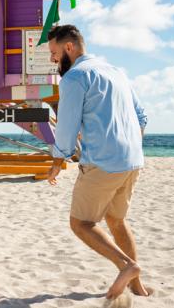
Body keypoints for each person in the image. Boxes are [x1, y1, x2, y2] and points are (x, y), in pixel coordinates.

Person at [44, 25, 150, 300]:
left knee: (80, 223)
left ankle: (127, 266)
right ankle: (137, 285)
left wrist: (58, 159)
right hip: (133, 161)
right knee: (116, 219)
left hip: (103, 162)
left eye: (54, 53)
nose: (53, 59)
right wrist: (129, 145)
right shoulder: (116, 71)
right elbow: (142, 117)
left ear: (69, 48)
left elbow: (66, 127)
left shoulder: (75, 77)